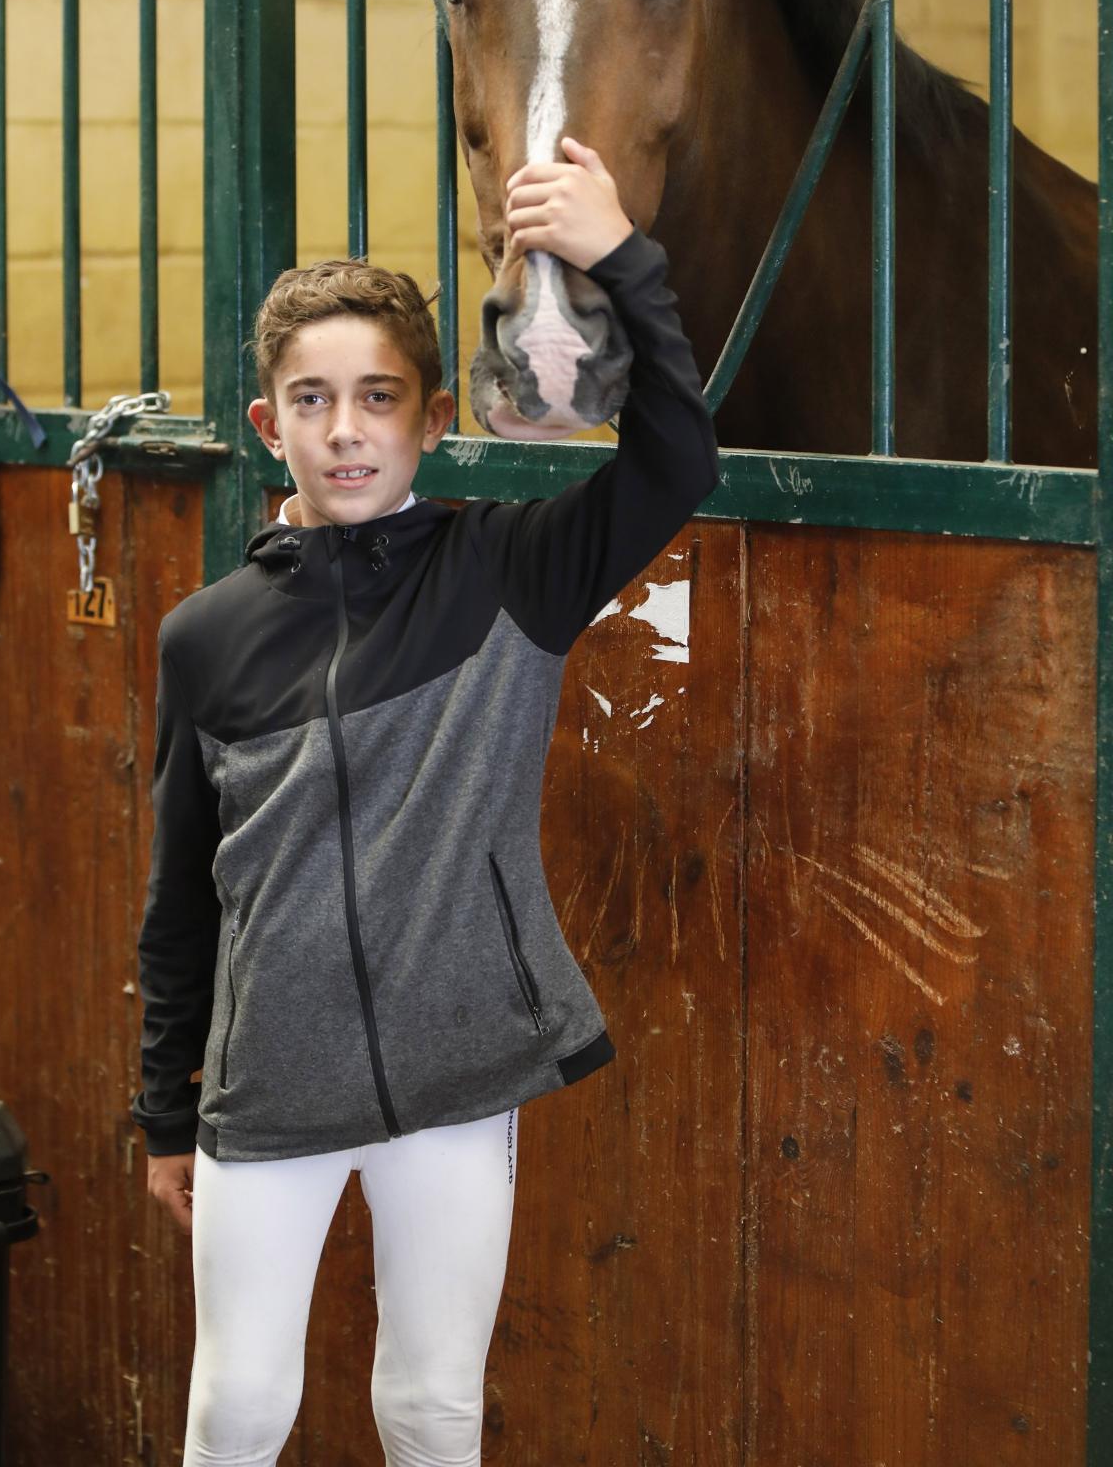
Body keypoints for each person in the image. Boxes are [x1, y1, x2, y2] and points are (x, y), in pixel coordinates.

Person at [131, 136, 721, 1466]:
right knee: (237, 1413)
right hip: (267, 1091)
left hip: (457, 1082)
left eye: (379, 398)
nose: (346, 429)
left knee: (430, 1408)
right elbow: (182, 893)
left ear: (432, 416)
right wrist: (166, 1110)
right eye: (313, 398)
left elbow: (680, 461)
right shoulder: (204, 638)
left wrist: (619, 255)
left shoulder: (511, 571)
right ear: (264, 421)